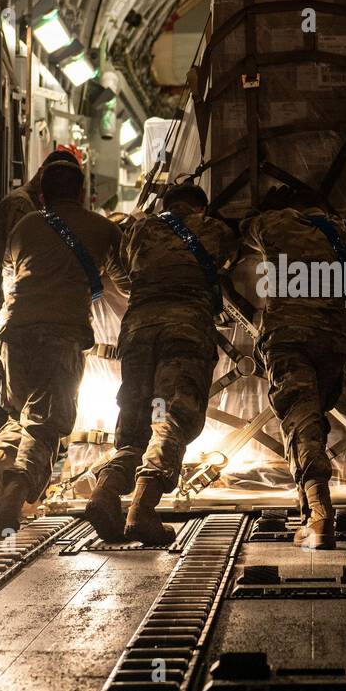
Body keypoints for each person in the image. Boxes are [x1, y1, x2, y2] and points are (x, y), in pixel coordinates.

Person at [83, 183, 239, 545]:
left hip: (137, 330)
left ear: (164, 205)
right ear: (200, 209)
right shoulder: (213, 230)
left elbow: (122, 270)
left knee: (135, 419)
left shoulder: (140, 229)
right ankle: (143, 511)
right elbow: (230, 263)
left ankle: (105, 493)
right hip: (184, 330)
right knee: (171, 418)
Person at [0, 159, 120, 535]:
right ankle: (12, 498)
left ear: (42, 195)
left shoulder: (25, 225)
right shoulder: (103, 229)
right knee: (46, 426)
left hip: (11, 333)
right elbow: (124, 284)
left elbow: (8, 278)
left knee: (20, 415)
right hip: (59, 336)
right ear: (82, 193)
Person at [240, 186, 346, 549]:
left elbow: (241, 231)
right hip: (334, 339)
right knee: (312, 418)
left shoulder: (270, 224)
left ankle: (321, 516)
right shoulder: (345, 231)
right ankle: (308, 509)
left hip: (289, 336)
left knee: (301, 418)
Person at [0, 147, 84, 256]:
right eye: (56, 182)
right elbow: (23, 256)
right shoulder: (21, 204)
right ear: (41, 174)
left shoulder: (34, 205)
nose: (60, 190)